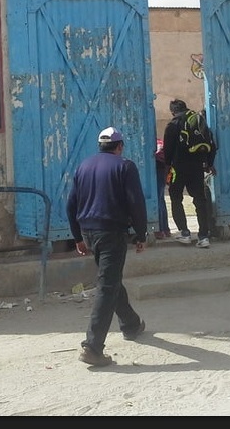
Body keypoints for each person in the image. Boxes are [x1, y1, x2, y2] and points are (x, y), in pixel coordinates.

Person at [66, 126, 148, 367]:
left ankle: (131, 324)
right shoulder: (125, 166)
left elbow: (71, 205)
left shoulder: (84, 166)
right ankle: (92, 347)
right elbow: (136, 203)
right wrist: (141, 234)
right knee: (107, 285)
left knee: (109, 278)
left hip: (89, 232)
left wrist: (77, 238)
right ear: (120, 146)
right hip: (111, 232)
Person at [162, 98, 216, 248]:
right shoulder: (199, 121)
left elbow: (168, 150)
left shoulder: (173, 125)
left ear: (173, 111)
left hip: (179, 168)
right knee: (200, 199)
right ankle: (203, 236)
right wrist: (209, 164)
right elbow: (212, 144)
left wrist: (167, 167)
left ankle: (184, 233)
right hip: (198, 167)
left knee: (175, 197)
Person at [154, 138, 171, 239]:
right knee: (160, 199)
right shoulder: (158, 142)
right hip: (163, 167)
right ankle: (165, 229)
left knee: (157, 199)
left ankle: (159, 230)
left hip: (157, 166)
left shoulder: (150, 144)